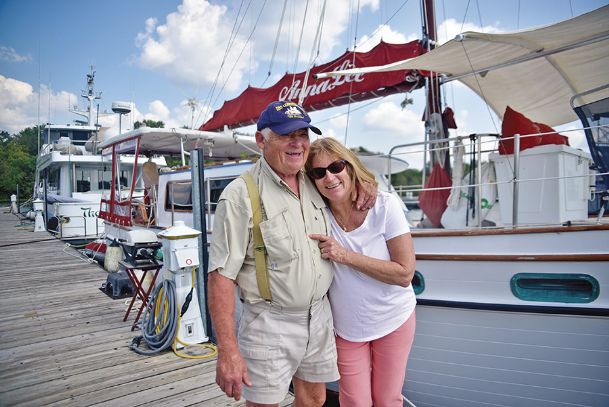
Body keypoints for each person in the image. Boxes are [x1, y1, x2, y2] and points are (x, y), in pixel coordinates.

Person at [207, 101, 375, 407]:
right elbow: (221, 277)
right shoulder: (240, 196)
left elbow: (347, 181)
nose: (297, 143)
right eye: (286, 135)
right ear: (261, 140)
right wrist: (227, 351)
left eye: (302, 134)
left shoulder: (314, 180)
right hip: (269, 323)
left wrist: (367, 185)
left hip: (319, 316)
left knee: (314, 400)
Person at [306, 137, 417, 407]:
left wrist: (344, 256)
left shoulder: (384, 205)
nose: (329, 177)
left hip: (394, 319)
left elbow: (405, 274)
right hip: (347, 328)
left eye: (336, 167)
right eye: (319, 173)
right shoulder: (316, 214)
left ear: (350, 167)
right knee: (355, 402)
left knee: (387, 399)